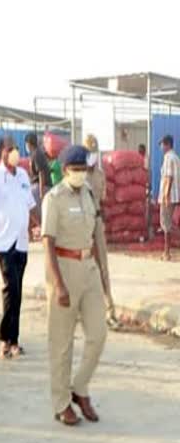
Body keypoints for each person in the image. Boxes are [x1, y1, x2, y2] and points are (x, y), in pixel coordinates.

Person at [42, 145, 108, 426]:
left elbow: (98, 236)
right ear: (66, 170)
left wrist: (105, 279)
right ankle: (61, 403)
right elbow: (48, 242)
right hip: (64, 269)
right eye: (77, 169)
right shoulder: (53, 199)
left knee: (98, 334)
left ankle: (79, 388)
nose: (82, 173)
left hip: (89, 268)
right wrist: (58, 285)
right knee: (62, 343)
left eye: (85, 169)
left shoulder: (90, 194)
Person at [0, 135, 36, 359]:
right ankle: (5, 338)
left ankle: (14, 339)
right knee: (10, 289)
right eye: (9, 149)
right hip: (3, 242)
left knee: (18, 292)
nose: (14, 153)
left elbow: (30, 206)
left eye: (16, 149)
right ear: (1, 152)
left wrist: (41, 225)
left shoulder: (22, 175)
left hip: (22, 242)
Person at [82, 135, 117, 329]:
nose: (92, 157)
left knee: (102, 266)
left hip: (96, 220)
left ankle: (109, 309)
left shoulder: (100, 176)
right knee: (82, 268)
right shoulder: (78, 176)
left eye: (95, 152)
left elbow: (102, 199)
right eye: (89, 153)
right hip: (81, 224)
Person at [159, 134, 180, 261]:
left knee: (166, 224)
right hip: (175, 195)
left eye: (162, 144)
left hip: (168, 196)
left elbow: (168, 177)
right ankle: (166, 251)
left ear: (167, 144)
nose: (161, 147)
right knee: (169, 224)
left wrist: (165, 196)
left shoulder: (168, 157)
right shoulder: (176, 157)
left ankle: (166, 253)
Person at [26, 132, 51, 213]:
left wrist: (41, 192)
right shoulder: (36, 153)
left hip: (40, 187)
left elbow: (41, 173)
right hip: (39, 186)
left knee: (38, 212)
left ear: (29, 144)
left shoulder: (37, 154)